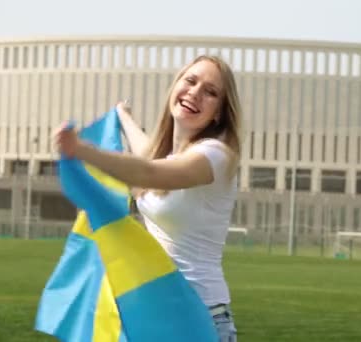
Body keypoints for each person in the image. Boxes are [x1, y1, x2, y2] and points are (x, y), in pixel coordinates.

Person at [55, 55, 242, 341]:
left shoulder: (215, 156)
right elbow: (147, 153)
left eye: (210, 92)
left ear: (218, 112)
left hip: (200, 316)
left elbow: (149, 172)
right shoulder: (170, 155)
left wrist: (81, 150)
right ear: (175, 86)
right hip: (157, 311)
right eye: (190, 81)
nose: (195, 93)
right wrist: (124, 117)